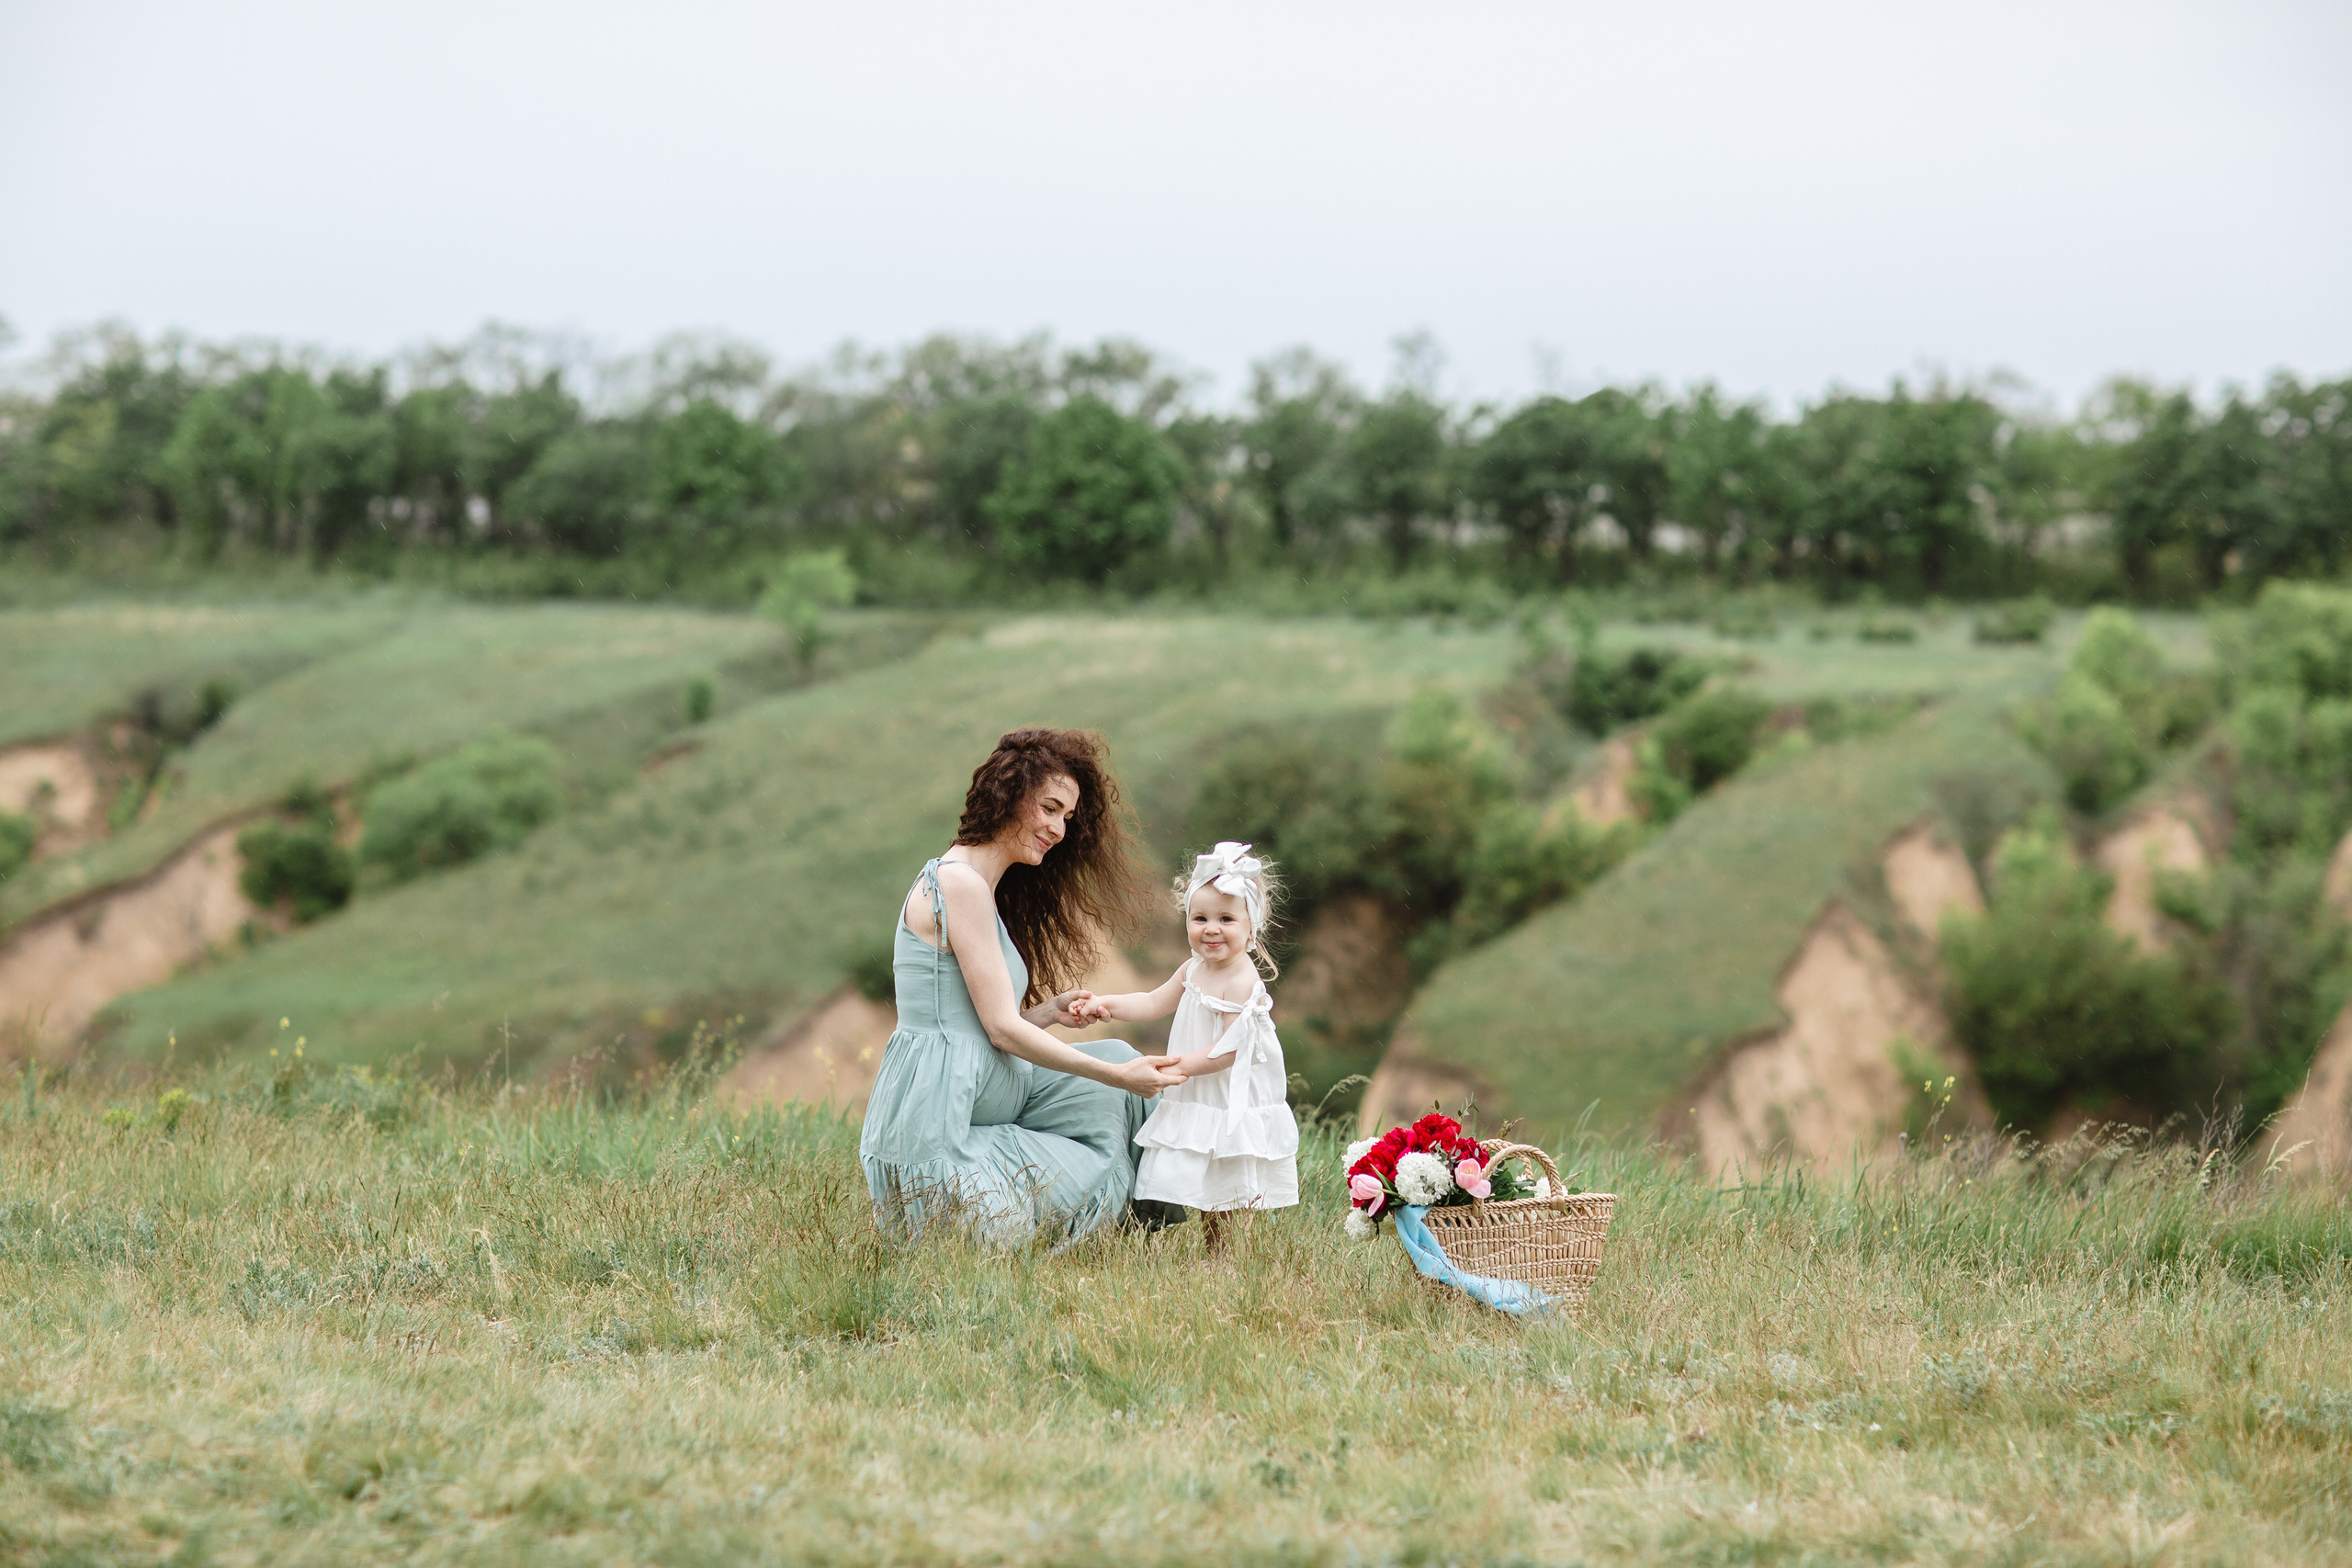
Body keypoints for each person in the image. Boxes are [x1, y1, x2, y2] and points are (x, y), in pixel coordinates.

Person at [858, 728, 1182, 1245]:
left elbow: (977, 1024)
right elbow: (1001, 1032)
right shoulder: (958, 883)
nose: (1058, 829)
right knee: (1115, 1084)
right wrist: (1118, 1076)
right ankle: (1115, 1225)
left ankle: (1166, 1226)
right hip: (940, 1122)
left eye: (1067, 818)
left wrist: (1049, 1012)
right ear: (1010, 794)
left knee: (1116, 1075)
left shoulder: (980, 886)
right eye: (1050, 808)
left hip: (990, 1090)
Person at [1078, 842, 1299, 1255]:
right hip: (1197, 1084)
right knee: (1205, 1174)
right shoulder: (1194, 967)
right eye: (1200, 918)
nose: (1211, 929)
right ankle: (1213, 1250)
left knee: (1229, 1177)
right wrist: (1105, 1004)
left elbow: (1227, 1053)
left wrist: (1174, 1068)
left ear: (1252, 928)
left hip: (1224, 1089)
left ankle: (1228, 1256)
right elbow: (1152, 1002)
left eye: (1226, 919)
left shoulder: (1241, 980)